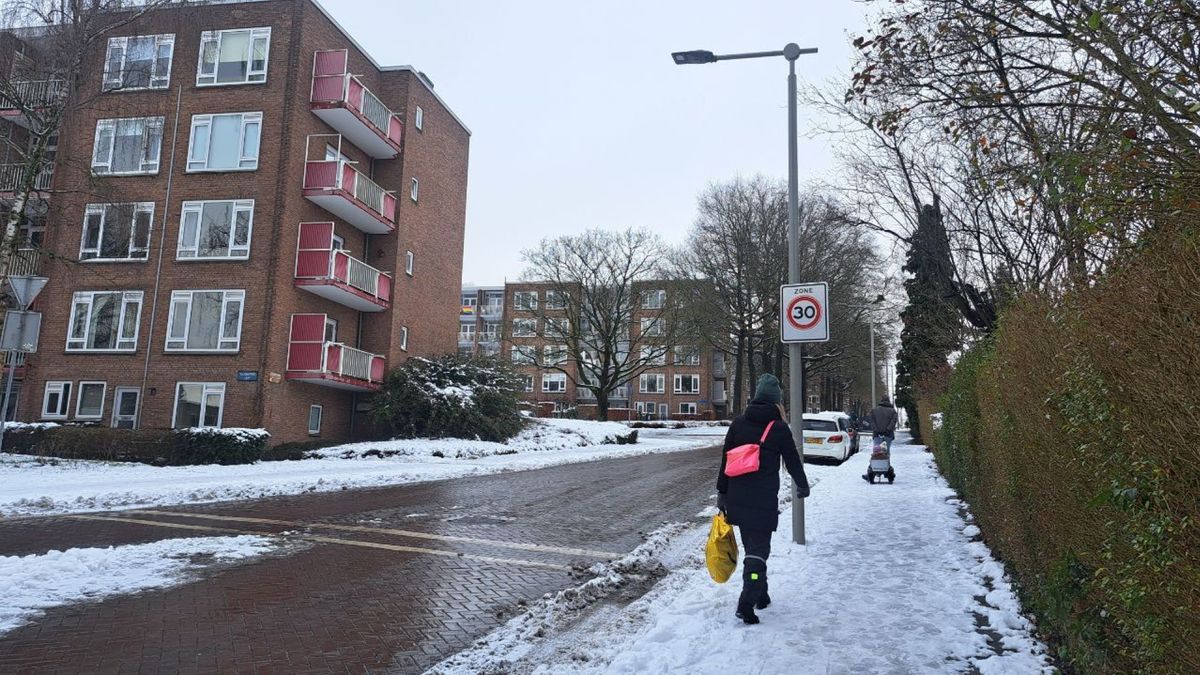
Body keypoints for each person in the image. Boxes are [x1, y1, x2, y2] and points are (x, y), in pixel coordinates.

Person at [716, 374, 810, 625]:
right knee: (758, 553)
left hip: (736, 497)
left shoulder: (738, 423)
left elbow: (725, 461)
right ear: (777, 402)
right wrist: (803, 485)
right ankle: (747, 600)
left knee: (754, 549)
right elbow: (792, 461)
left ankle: (762, 594)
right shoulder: (778, 428)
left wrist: (721, 493)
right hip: (762, 499)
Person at [863, 396, 899, 481]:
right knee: (886, 453)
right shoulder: (893, 411)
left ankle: (871, 471)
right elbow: (893, 421)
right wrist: (888, 430)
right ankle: (887, 471)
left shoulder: (874, 410)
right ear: (888, 401)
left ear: (881, 401)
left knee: (876, 452)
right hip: (888, 435)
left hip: (877, 435)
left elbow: (871, 421)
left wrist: (877, 430)